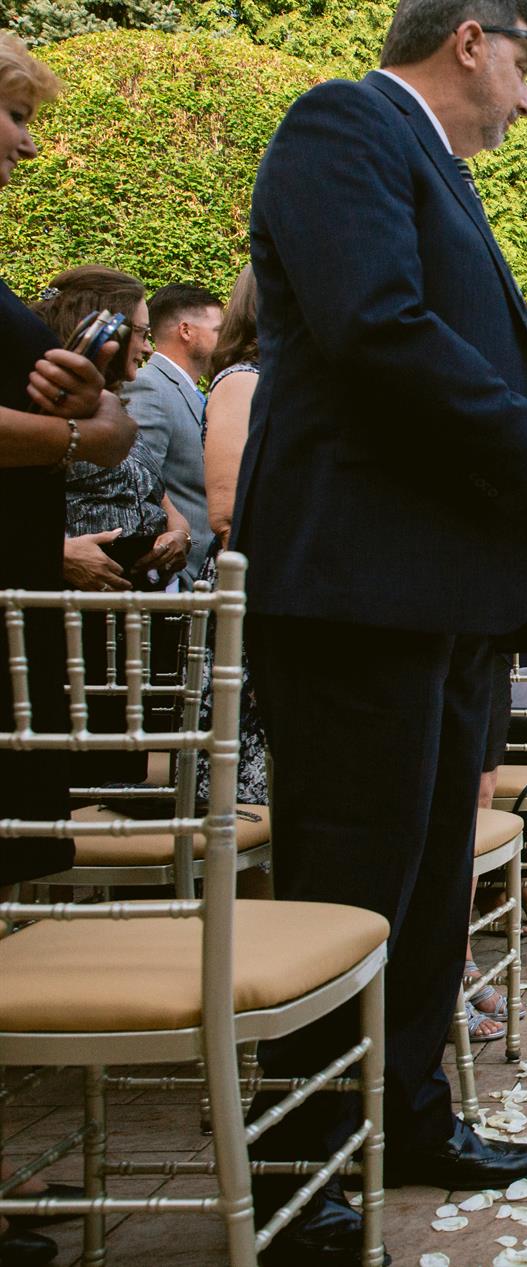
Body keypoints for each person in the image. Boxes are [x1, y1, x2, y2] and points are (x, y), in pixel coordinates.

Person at [233, 3, 527, 1256]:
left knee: (423, 883)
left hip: (447, 593)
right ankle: (301, 1161)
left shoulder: (439, 172)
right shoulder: (343, 123)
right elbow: (377, 328)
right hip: (357, 586)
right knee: (349, 873)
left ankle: (408, 1113)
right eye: (525, 66)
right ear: (472, 38)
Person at [0, 36, 139, 1267]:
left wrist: (80, 406)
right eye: (9, 114)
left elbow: (110, 430)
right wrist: (59, 435)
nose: (26, 144)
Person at [37, 269, 193, 596]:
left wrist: (179, 534)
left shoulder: (114, 408)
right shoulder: (43, 404)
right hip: (69, 602)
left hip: (134, 602)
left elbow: (156, 496)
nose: (148, 348)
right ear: (108, 331)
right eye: (142, 333)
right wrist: (58, 552)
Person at [192, 266, 271, 809]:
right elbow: (227, 514)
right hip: (250, 589)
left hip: (275, 588)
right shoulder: (242, 381)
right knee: (242, 781)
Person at [121, 282, 222, 580]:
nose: (227, 339)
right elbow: (138, 485)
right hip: (177, 577)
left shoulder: (191, 392)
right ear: (186, 331)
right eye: (218, 330)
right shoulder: (149, 386)